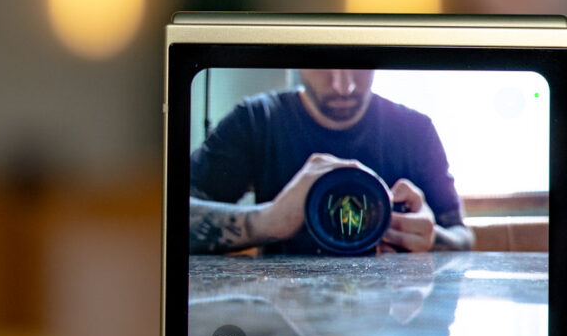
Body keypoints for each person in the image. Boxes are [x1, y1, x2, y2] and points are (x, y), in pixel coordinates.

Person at [189, 69, 475, 255]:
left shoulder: (416, 130)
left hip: (392, 319)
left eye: (359, 65)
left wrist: (430, 237)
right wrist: (267, 221)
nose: (344, 86)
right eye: (323, 64)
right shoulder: (256, 121)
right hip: (283, 320)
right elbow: (170, 215)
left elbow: (464, 238)